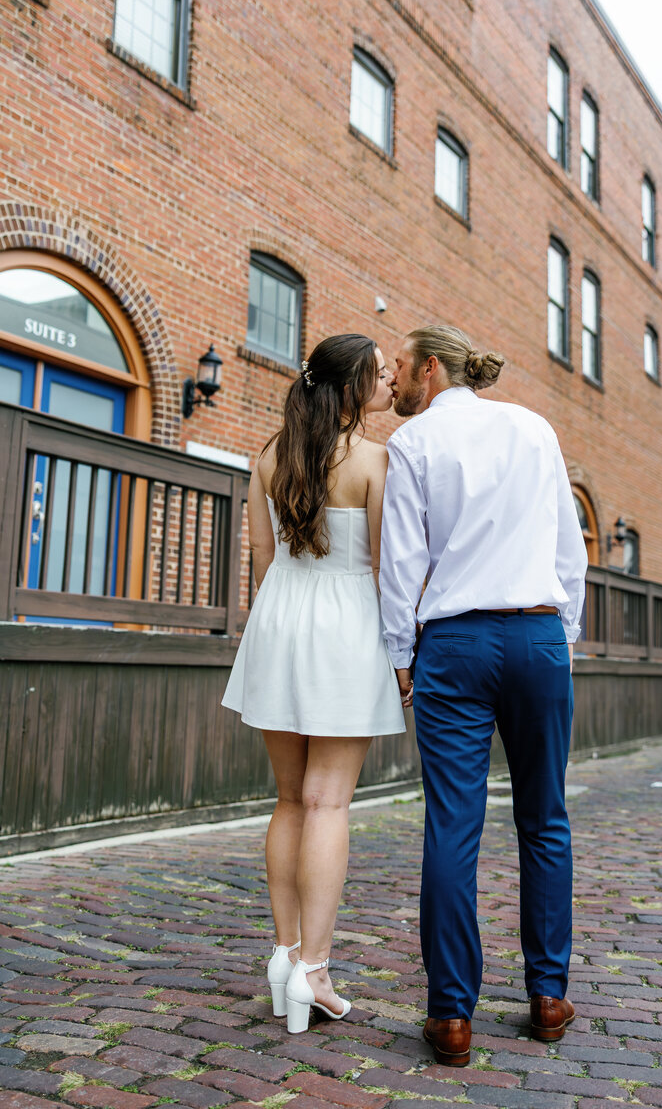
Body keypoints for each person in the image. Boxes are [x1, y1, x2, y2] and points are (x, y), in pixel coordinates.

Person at [380, 325, 587, 1067]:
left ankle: (452, 1017)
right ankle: (549, 997)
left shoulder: (415, 444)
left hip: (455, 646)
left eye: (400, 367)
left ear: (431, 369)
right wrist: (561, 633)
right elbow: (571, 550)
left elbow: (402, 563)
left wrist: (401, 654)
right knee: (545, 819)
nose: (393, 381)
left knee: (453, 827)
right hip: (537, 639)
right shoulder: (536, 429)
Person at [222, 333, 406, 1035]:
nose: (389, 381)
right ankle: (316, 971)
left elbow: (262, 562)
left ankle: (285, 955)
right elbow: (389, 569)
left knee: (289, 799)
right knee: (328, 802)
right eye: (379, 374)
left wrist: (283, 627)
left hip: (279, 624)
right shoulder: (372, 461)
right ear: (352, 386)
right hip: (346, 627)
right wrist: (399, 659)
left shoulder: (268, 455)